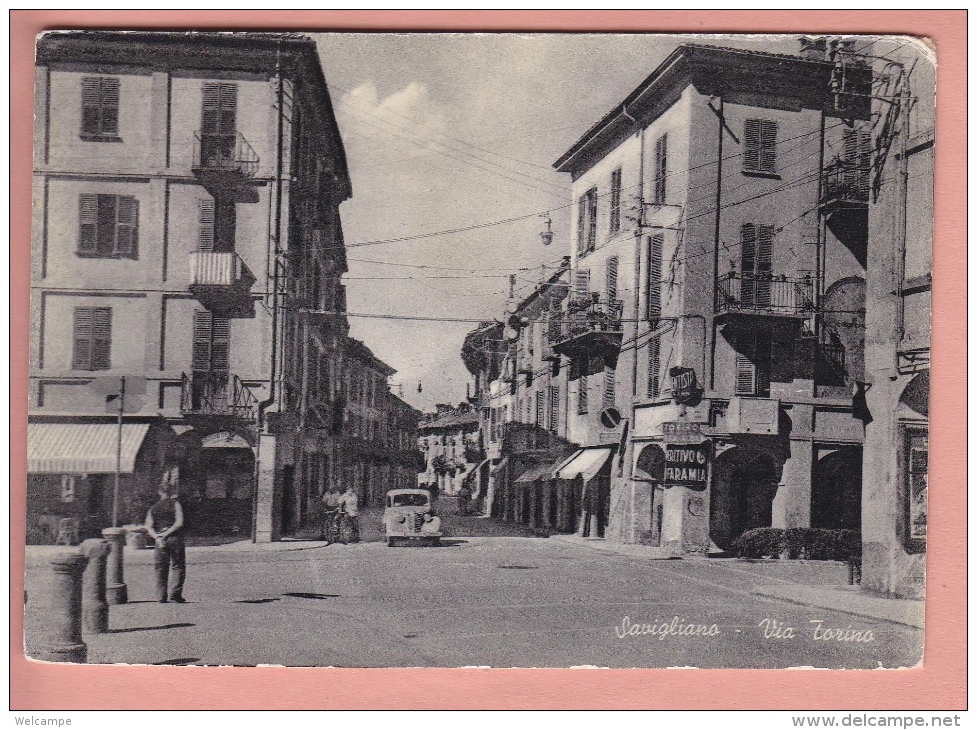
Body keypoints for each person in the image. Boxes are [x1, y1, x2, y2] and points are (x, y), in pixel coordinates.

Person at [145, 481, 186, 603]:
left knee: (160, 567)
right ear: (171, 492)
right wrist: (167, 533)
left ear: (159, 492)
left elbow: (148, 526)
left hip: (159, 541)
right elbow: (179, 523)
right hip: (174, 538)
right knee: (177, 566)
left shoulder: (153, 507)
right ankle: (175, 594)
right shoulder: (176, 504)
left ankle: (161, 596)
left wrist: (158, 537)